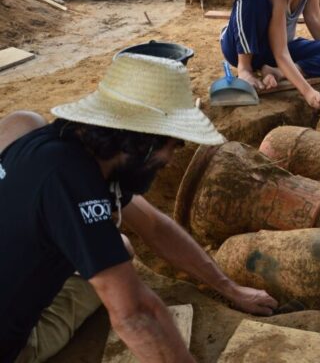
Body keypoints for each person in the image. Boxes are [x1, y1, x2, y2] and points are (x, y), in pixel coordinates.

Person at [0, 54, 279, 362]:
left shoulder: (59, 142)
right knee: (116, 263)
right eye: (172, 146)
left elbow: (156, 227)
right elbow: (135, 315)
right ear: (143, 142)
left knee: (116, 247)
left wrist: (231, 289)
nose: (171, 161)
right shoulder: (72, 183)